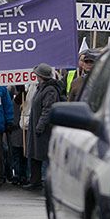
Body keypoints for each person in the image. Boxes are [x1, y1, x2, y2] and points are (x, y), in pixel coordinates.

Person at [24, 63, 66, 191]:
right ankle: (35, 181)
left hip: (44, 129)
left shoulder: (50, 90)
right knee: (35, 155)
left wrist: (40, 125)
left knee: (45, 156)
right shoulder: (41, 88)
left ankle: (48, 182)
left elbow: (48, 109)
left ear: (40, 76)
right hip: (37, 126)